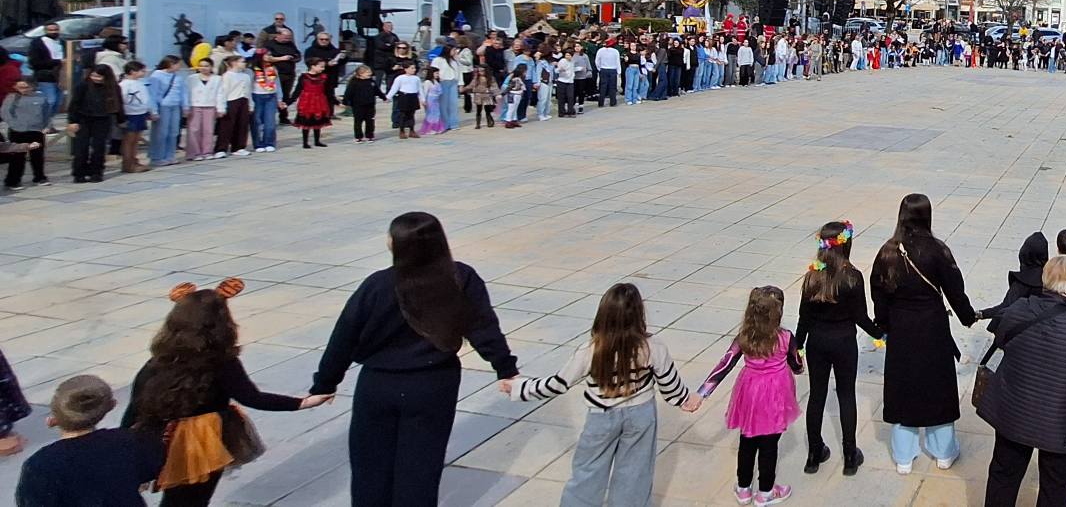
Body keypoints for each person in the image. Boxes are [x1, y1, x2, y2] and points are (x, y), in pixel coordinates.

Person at [311, 212, 518, 506]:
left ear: (396, 243)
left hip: (378, 384)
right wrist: (505, 369)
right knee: (421, 468)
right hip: (433, 384)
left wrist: (324, 383)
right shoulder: (461, 278)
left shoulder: (377, 284)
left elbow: (344, 336)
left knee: (371, 468)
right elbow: (483, 327)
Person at [122, 279, 329, 505]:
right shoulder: (222, 362)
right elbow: (252, 398)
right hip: (202, 441)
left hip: (160, 435)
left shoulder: (157, 361)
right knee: (193, 499)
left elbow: (135, 406)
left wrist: (123, 445)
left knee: (175, 498)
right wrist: (303, 403)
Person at [502, 283, 691, 505]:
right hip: (641, 415)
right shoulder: (652, 346)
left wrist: (519, 388)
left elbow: (558, 384)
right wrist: (685, 400)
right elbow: (670, 385)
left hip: (601, 416)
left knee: (588, 472)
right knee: (634, 474)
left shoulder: (591, 350)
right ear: (639, 313)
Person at [978, 254, 1066, 507]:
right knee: (1055, 486)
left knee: (1003, 475)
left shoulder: (1018, 310)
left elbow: (1002, 339)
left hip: (1015, 411)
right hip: (1062, 421)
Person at [869, 193, 978, 473]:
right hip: (932, 326)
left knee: (902, 387)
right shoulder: (937, 250)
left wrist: (884, 324)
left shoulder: (887, 252)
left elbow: (878, 294)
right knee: (937, 387)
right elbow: (955, 289)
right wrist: (968, 317)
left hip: (901, 327)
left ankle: (904, 456)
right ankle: (943, 451)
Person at [692, 286, 801, 507]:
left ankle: (743, 489)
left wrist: (702, 392)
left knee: (747, 439)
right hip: (776, 393)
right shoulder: (786, 337)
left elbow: (725, 364)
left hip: (749, 391)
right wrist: (798, 368)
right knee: (770, 444)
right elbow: (796, 363)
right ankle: (766, 493)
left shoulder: (744, 338)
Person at [793, 220, 880, 476]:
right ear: (846, 245)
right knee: (846, 394)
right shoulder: (853, 277)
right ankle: (850, 454)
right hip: (844, 342)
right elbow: (861, 317)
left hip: (818, 342)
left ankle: (814, 454)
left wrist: (797, 347)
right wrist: (880, 334)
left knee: (817, 395)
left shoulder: (812, 276)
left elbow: (803, 318)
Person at [14, 374, 166, 507]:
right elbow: (154, 466)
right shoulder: (132, 441)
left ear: (53, 418)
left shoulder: (40, 465)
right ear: (111, 406)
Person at [65, 64, 119, 183]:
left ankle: (96, 172)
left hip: (103, 120)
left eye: (99, 76)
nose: (95, 78)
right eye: (93, 75)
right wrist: (72, 121)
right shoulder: (83, 85)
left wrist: (121, 120)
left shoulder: (112, 87)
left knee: (99, 147)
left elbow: (118, 104)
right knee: (81, 148)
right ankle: (79, 173)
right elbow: (74, 104)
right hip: (83, 119)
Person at [2, 80, 50, 188]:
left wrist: (46, 126)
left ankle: (39, 177)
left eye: (26, 87)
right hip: (18, 131)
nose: (24, 90)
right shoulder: (12, 97)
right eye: (20, 87)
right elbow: (5, 112)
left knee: (38, 155)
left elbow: (46, 112)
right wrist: (15, 125)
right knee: (17, 157)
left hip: (36, 130)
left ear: (32, 87)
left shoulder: (40, 97)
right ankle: (13, 181)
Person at [115, 61, 154, 173]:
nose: (144, 72)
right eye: (141, 70)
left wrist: (148, 111)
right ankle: (128, 163)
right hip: (130, 114)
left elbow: (145, 98)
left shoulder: (140, 83)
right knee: (129, 140)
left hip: (140, 113)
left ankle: (134, 159)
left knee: (136, 139)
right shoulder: (124, 85)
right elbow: (121, 101)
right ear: (132, 71)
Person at [26, 21, 64, 131]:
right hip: (45, 76)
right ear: (45, 31)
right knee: (50, 101)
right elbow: (35, 62)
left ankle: (49, 123)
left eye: (56, 29)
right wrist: (58, 62)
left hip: (61, 77)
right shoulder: (38, 43)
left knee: (58, 102)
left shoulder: (62, 42)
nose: (54, 32)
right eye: (51, 30)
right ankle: (42, 124)